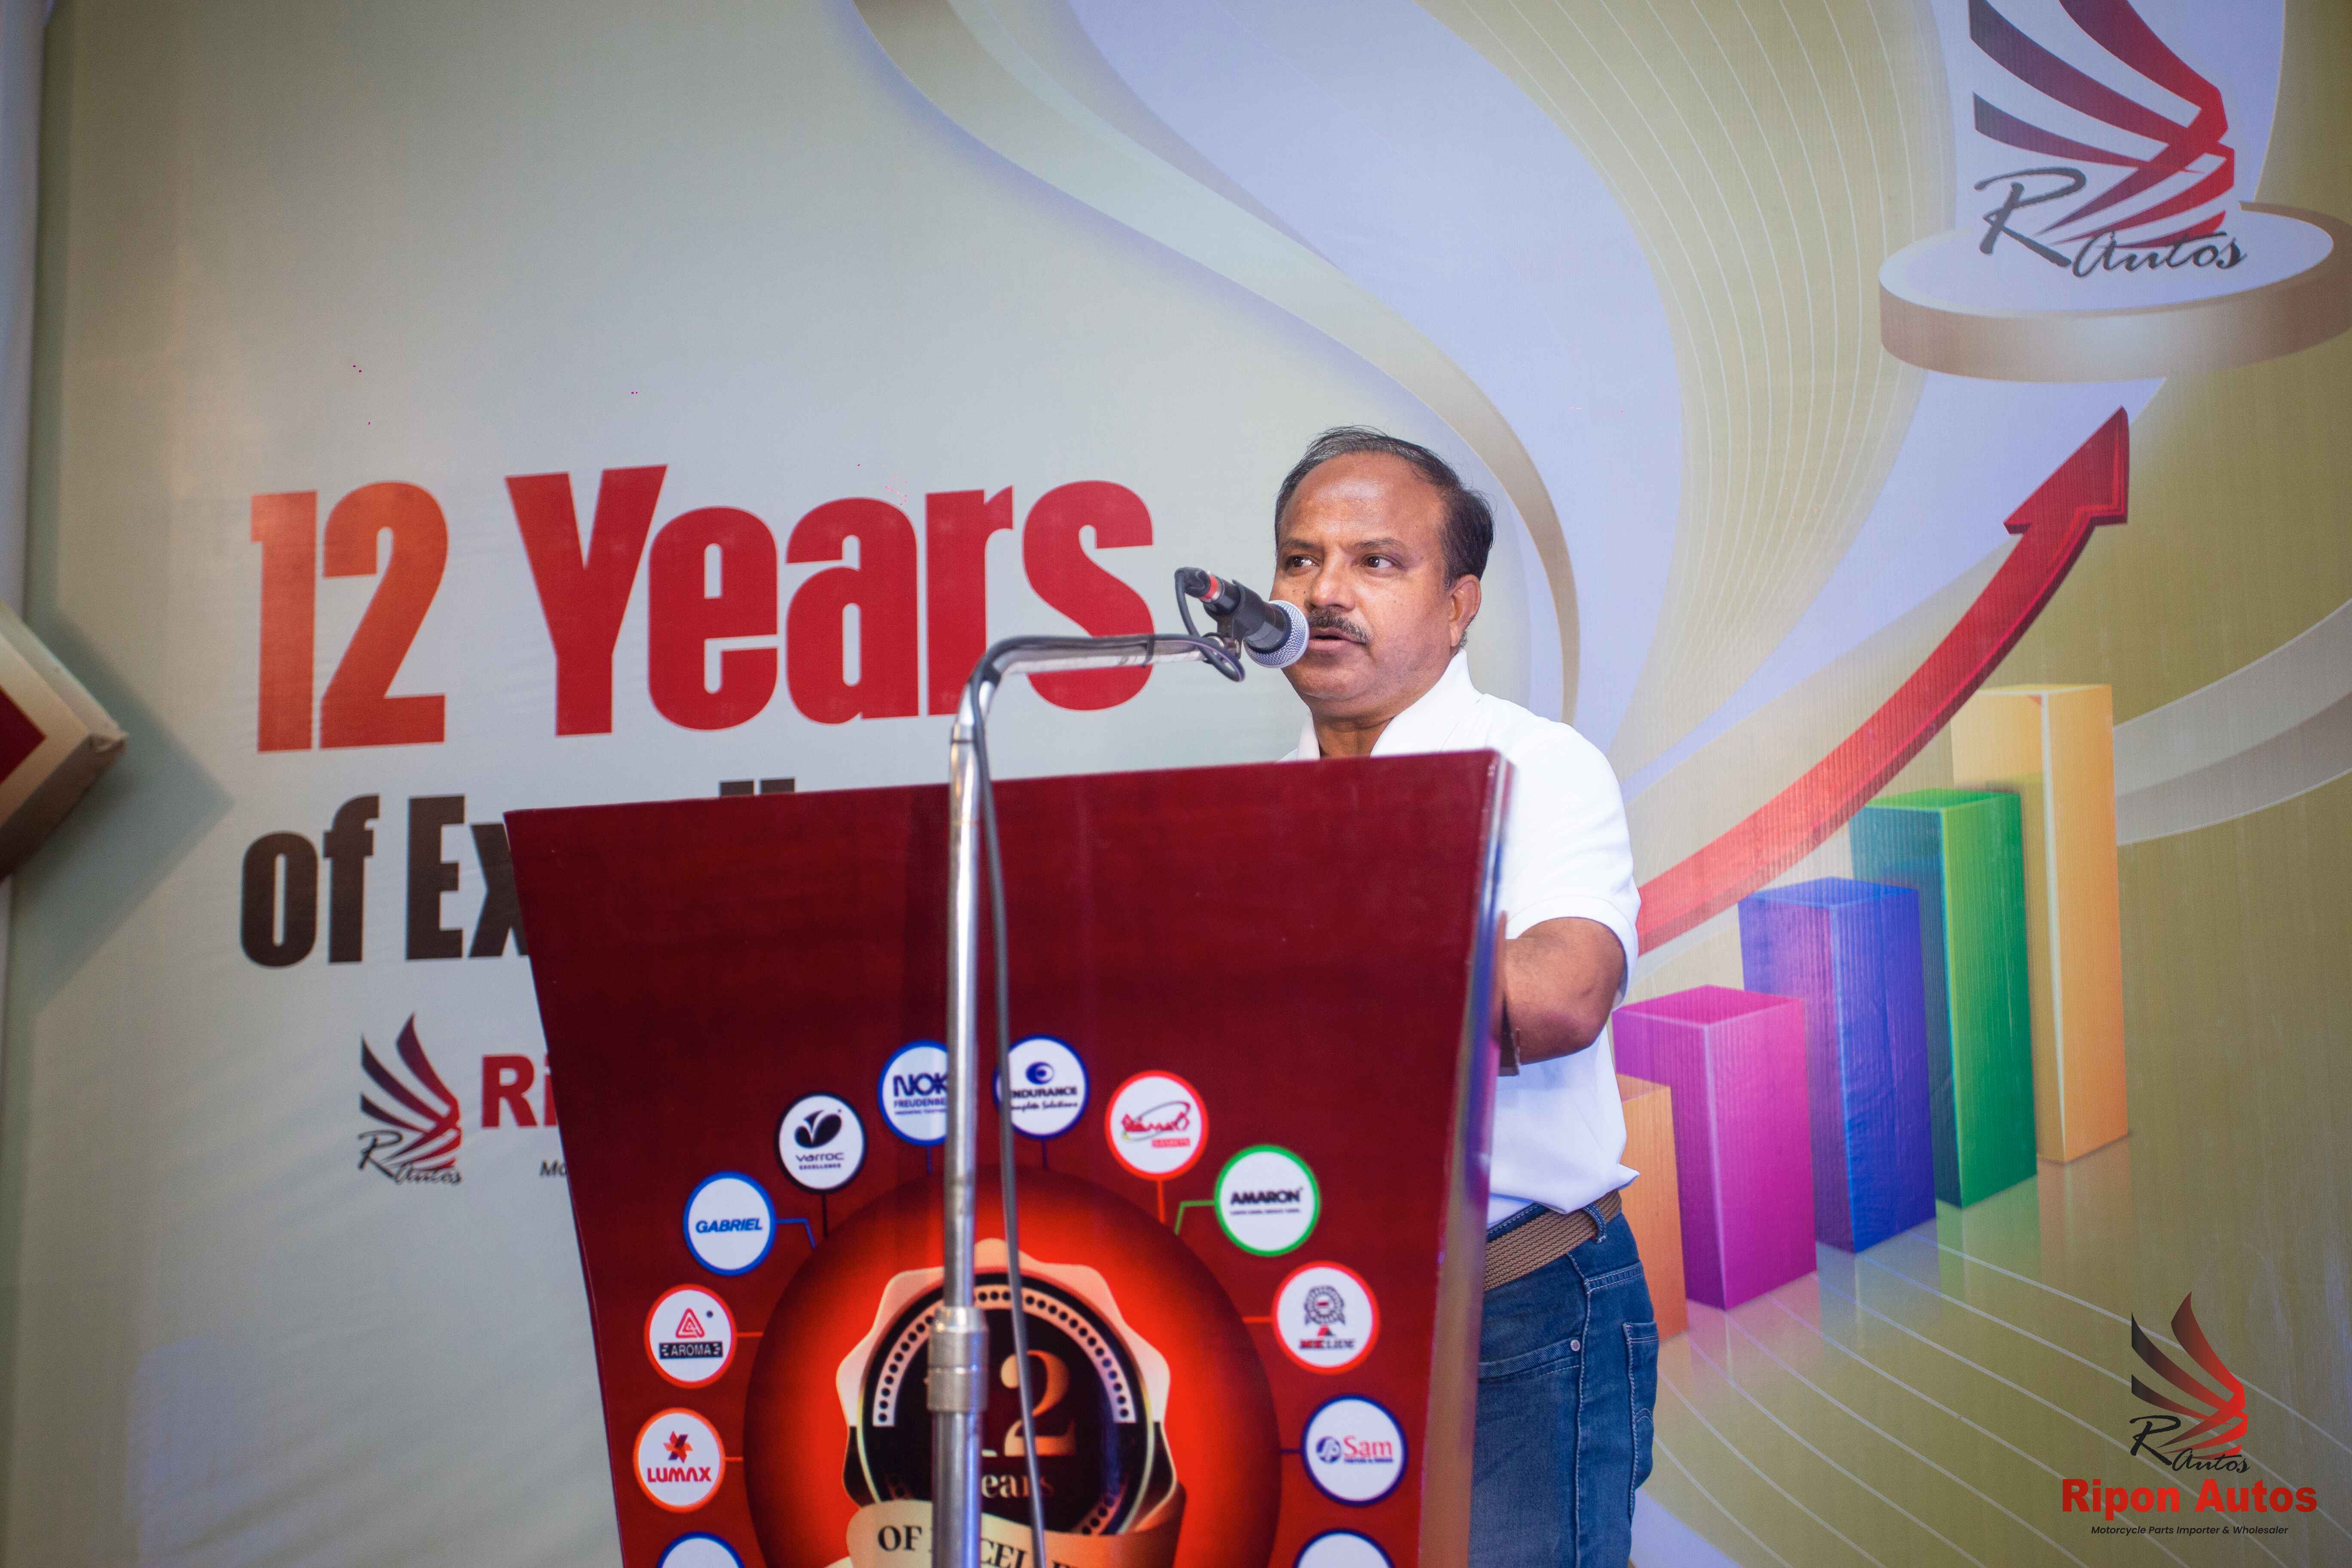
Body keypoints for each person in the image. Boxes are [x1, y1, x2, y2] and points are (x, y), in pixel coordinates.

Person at [1269, 428, 1656, 1568]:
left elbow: (1562, 996)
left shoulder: (1540, 766)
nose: (1324, 592)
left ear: (1459, 605)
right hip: (1310, 1309)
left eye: (1376, 562)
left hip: (1518, 1311)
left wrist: (1313, 943)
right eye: (1300, 560)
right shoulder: (1252, 810)